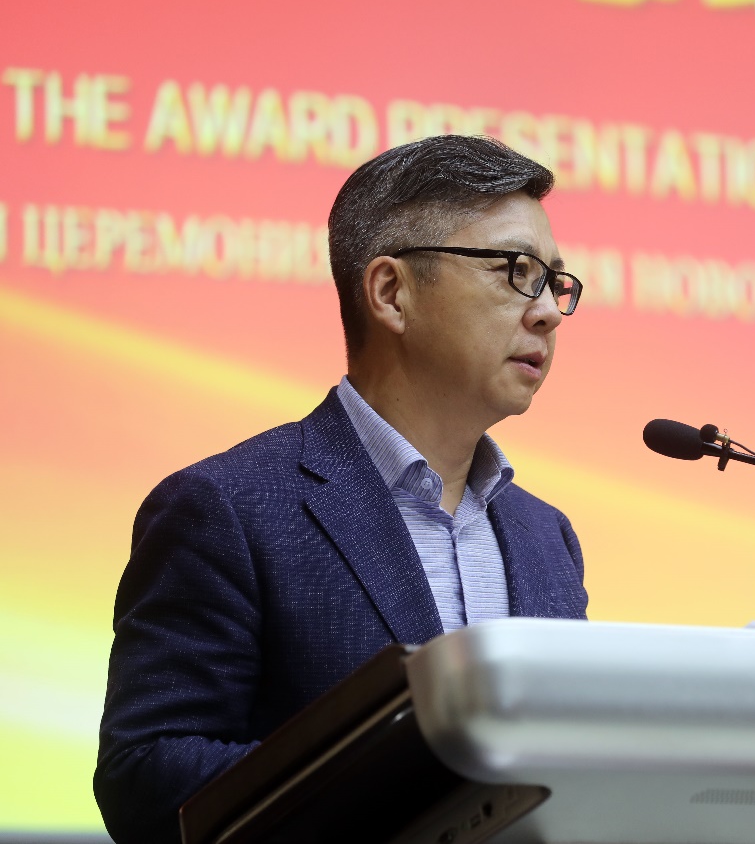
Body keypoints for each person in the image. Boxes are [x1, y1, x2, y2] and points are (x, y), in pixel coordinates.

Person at [94, 136, 589, 844]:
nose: (547, 312)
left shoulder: (546, 537)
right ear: (391, 293)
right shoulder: (227, 509)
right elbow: (146, 778)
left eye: (554, 282)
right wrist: (406, 781)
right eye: (516, 271)